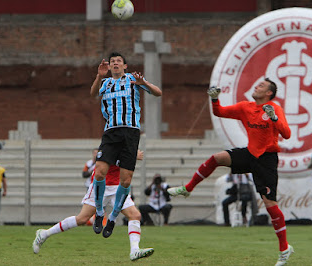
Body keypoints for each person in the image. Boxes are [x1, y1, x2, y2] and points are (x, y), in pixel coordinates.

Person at [168, 78, 294, 266]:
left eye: (261, 86)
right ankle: (188, 188)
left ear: (269, 93)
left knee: (269, 203)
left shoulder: (274, 108)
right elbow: (219, 112)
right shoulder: (246, 107)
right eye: (257, 84)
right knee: (217, 158)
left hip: (266, 159)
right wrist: (214, 99)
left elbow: (287, 134)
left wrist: (274, 118)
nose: (256, 86)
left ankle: (284, 248)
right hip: (250, 153)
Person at [90, 51, 162, 238]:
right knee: (99, 171)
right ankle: (99, 213)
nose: (115, 63)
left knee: (126, 180)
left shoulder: (132, 79)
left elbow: (158, 93)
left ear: (125, 66)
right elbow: (92, 94)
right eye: (112, 61)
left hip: (130, 132)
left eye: (118, 61)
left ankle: (113, 217)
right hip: (111, 132)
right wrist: (99, 75)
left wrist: (143, 83)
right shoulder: (105, 83)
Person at [32, 150, 154, 261]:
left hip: (117, 187)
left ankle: (134, 250)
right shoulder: (110, 141)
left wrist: (130, 155)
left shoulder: (126, 142)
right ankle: (44, 234)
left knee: (135, 215)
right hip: (101, 186)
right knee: (82, 219)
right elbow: (108, 158)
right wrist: (132, 156)